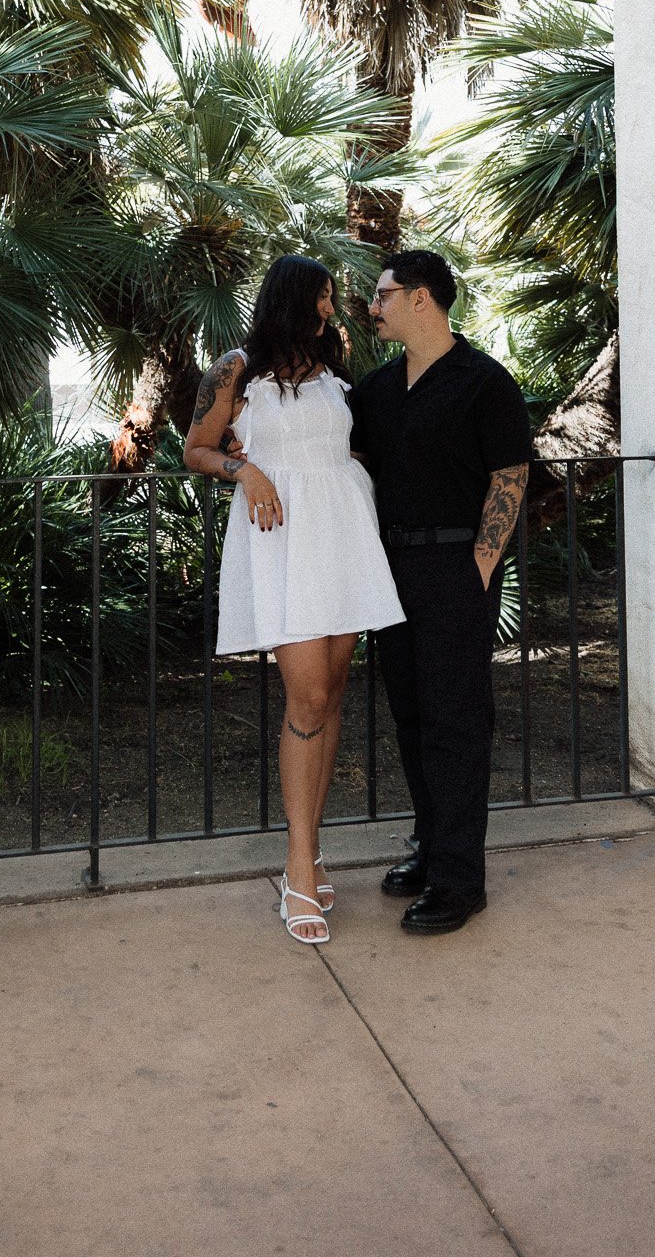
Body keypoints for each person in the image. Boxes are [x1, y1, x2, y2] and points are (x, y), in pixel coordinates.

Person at [184, 255, 405, 945]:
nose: (332, 309)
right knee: (306, 698)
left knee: (331, 696)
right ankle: (297, 866)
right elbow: (195, 449)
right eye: (323, 297)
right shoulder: (236, 369)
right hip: (281, 538)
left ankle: (310, 851)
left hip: (342, 533)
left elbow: (345, 449)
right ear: (292, 298)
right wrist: (245, 470)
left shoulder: (334, 367)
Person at [350, 250, 532, 936]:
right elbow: (350, 465)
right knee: (411, 717)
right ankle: (431, 850)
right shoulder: (375, 388)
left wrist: (480, 566)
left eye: (382, 295)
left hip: (455, 569)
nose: (373, 307)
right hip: (389, 569)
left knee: (455, 723)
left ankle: (459, 881)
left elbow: (509, 477)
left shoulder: (484, 381)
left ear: (420, 297)